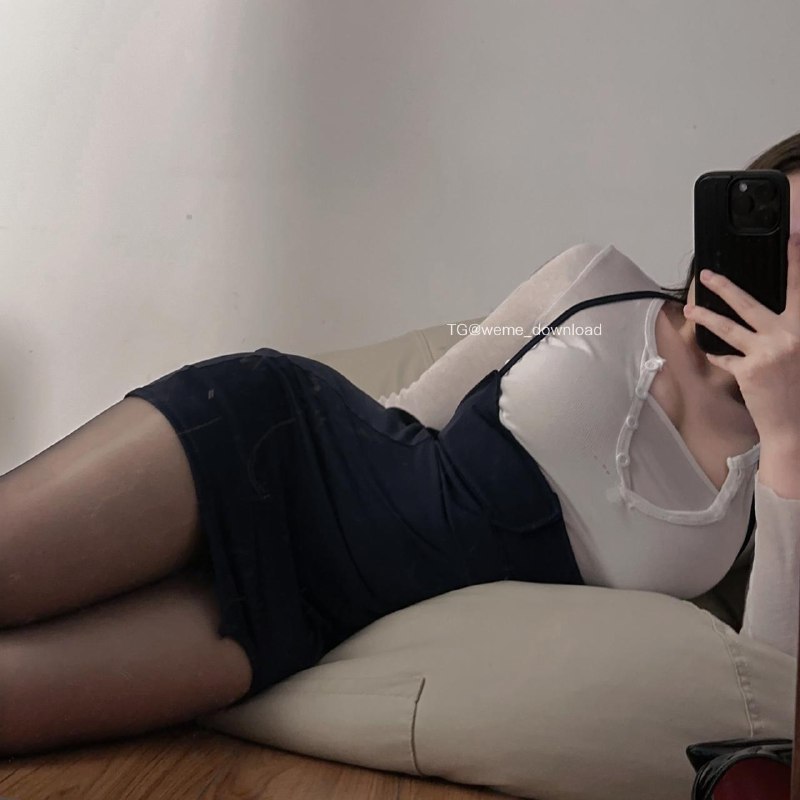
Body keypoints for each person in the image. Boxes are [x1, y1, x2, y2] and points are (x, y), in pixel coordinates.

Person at [1, 133, 799, 759]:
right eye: (784, 239)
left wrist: (787, 429)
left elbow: (768, 694)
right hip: (283, 447)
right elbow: (412, 411)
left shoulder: (785, 464)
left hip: (317, 619)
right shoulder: (597, 282)